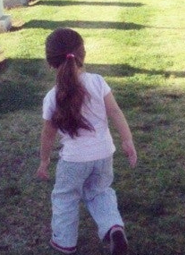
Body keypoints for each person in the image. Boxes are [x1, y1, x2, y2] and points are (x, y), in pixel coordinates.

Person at [36, 28, 137, 255]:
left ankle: (65, 242)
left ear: (51, 63)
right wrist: (127, 140)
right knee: (100, 192)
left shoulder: (52, 96)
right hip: (103, 155)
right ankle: (113, 228)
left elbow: (48, 134)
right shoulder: (98, 82)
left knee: (65, 197)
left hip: (73, 161)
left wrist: (44, 161)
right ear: (83, 53)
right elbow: (116, 112)